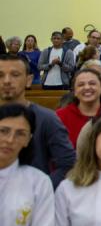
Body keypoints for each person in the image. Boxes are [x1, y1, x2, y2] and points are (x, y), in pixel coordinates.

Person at [0, 55, 76, 187]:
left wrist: (41, 188)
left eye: (15, 75)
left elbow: (68, 163)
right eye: (0, 75)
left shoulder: (47, 119)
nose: (7, 81)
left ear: (29, 80)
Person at [56, 69, 101, 147]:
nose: (87, 87)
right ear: (75, 91)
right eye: (81, 85)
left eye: (92, 83)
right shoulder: (60, 117)